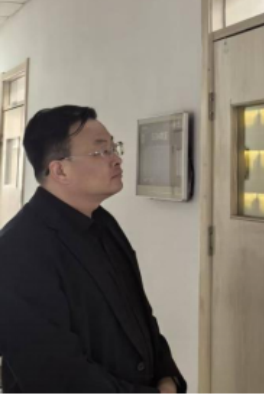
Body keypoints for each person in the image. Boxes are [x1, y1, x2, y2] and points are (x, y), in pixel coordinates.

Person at [0, 106, 186, 394]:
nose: (116, 159)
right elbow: (52, 375)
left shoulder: (103, 223)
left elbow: (140, 316)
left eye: (114, 147)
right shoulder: (18, 249)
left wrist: (167, 376)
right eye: (101, 151)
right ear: (60, 170)